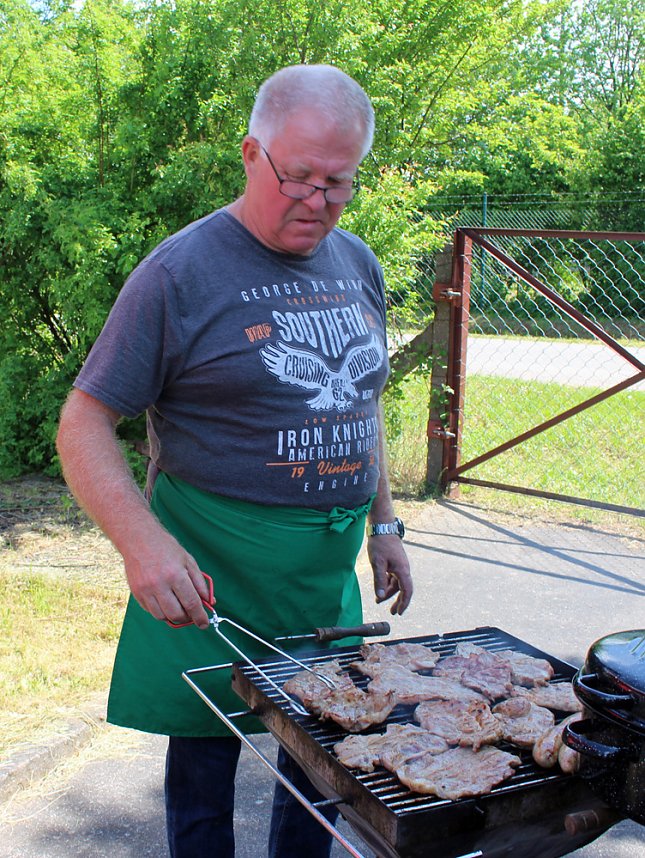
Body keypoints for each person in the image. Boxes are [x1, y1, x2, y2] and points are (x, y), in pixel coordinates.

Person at [56, 64, 413, 857]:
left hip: (320, 572)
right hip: (212, 565)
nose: (316, 202)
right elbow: (83, 422)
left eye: (339, 183)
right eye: (298, 177)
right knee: (206, 759)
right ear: (251, 153)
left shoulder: (356, 262)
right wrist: (141, 544)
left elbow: (361, 402)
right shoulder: (179, 273)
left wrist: (384, 522)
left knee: (325, 763)